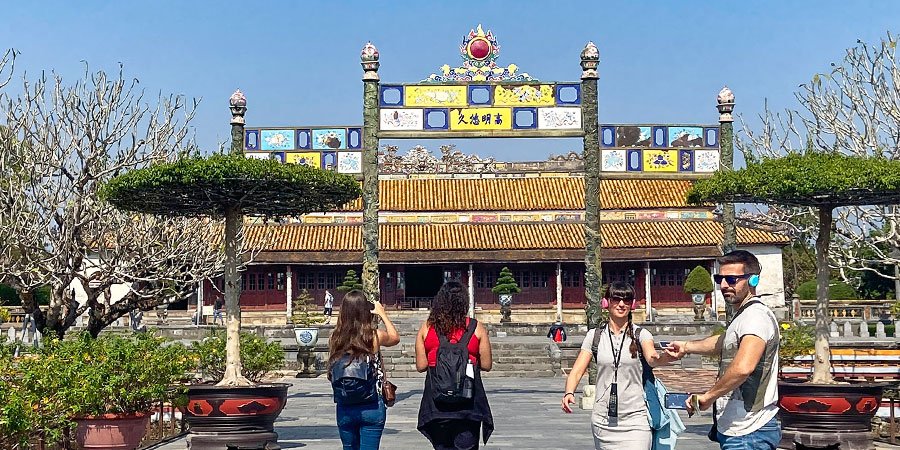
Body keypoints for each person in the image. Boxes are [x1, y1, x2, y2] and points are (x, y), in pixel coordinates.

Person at [665, 250, 781, 449]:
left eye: (732, 279)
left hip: (749, 432)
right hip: (739, 430)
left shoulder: (755, 316)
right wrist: (686, 346)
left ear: (753, 280)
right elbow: (725, 341)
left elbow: (743, 368)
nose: (724, 285)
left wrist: (708, 396)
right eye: (720, 279)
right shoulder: (743, 315)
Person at [561, 281, 677, 450]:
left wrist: (666, 358)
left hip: (636, 418)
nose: (621, 304)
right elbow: (578, 370)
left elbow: (652, 358)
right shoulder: (595, 336)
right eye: (616, 299)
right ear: (606, 302)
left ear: (633, 304)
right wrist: (569, 392)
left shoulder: (641, 334)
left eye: (627, 300)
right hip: (603, 419)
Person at [415, 281, 493, 450]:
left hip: (437, 405)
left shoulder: (427, 328)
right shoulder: (475, 327)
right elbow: (487, 364)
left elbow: (421, 366)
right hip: (468, 406)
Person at [328, 290, 400, 450]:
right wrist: (382, 313)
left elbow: (331, 372)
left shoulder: (335, 338)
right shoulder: (374, 336)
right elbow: (395, 338)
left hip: (345, 405)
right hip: (372, 404)